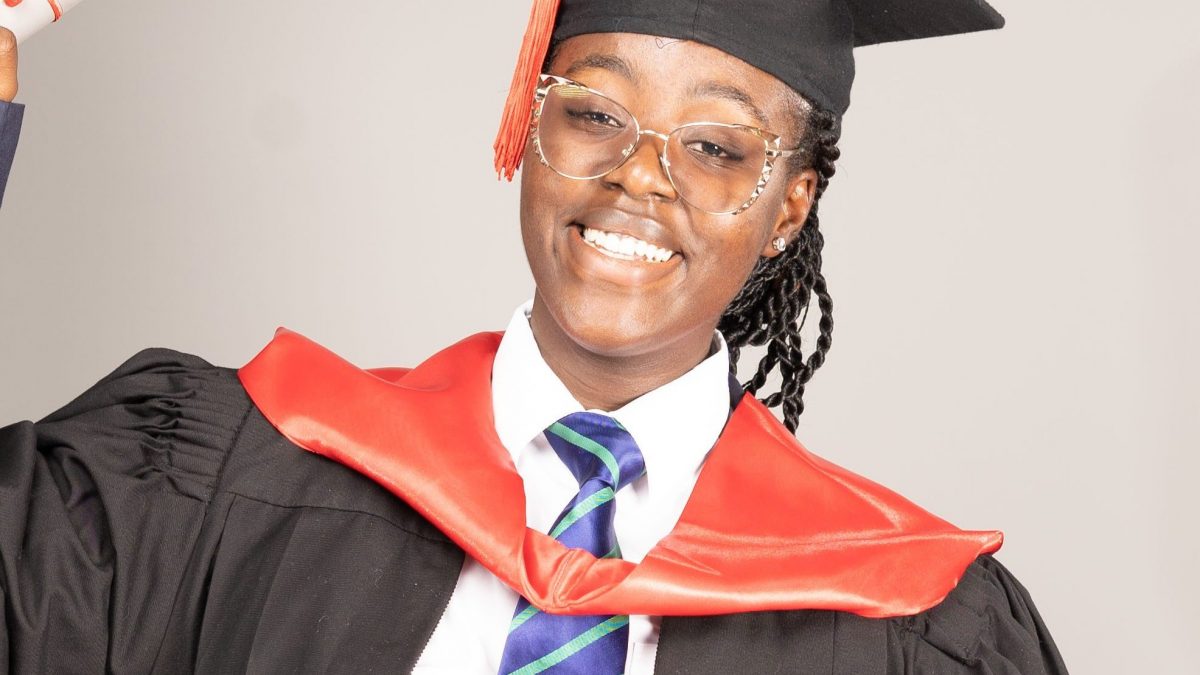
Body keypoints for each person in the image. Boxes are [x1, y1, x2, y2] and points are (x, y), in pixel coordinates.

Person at [0, 0, 1069, 672]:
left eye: (715, 147)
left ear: (789, 206)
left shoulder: (914, 622)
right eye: (595, 114)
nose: (640, 176)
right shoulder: (214, 476)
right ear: (532, 123)